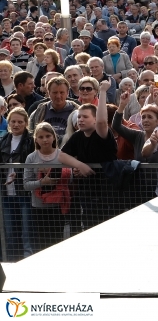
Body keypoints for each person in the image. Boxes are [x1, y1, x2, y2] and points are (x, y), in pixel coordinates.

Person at [23, 121, 92, 253]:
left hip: (59, 205)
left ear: (54, 137)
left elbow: (70, 178)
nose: (45, 140)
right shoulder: (31, 158)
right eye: (41, 137)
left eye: (48, 136)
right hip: (39, 206)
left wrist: (59, 173)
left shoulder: (62, 155)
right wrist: (42, 182)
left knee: (57, 240)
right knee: (42, 243)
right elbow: (26, 184)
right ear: (36, 139)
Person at [61, 80, 118, 229]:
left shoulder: (102, 133)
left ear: (94, 120)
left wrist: (103, 92)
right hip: (87, 192)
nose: (80, 120)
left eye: (85, 117)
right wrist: (79, 165)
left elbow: (102, 123)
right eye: (79, 117)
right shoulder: (77, 136)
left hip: (108, 192)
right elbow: (61, 156)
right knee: (89, 227)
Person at [0, 107, 35, 259]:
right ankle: (12, 261)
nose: (16, 124)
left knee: (27, 231)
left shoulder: (32, 140)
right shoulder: (3, 140)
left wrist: (19, 174)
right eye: (13, 121)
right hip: (7, 194)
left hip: (25, 192)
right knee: (10, 232)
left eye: (20, 122)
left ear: (26, 123)